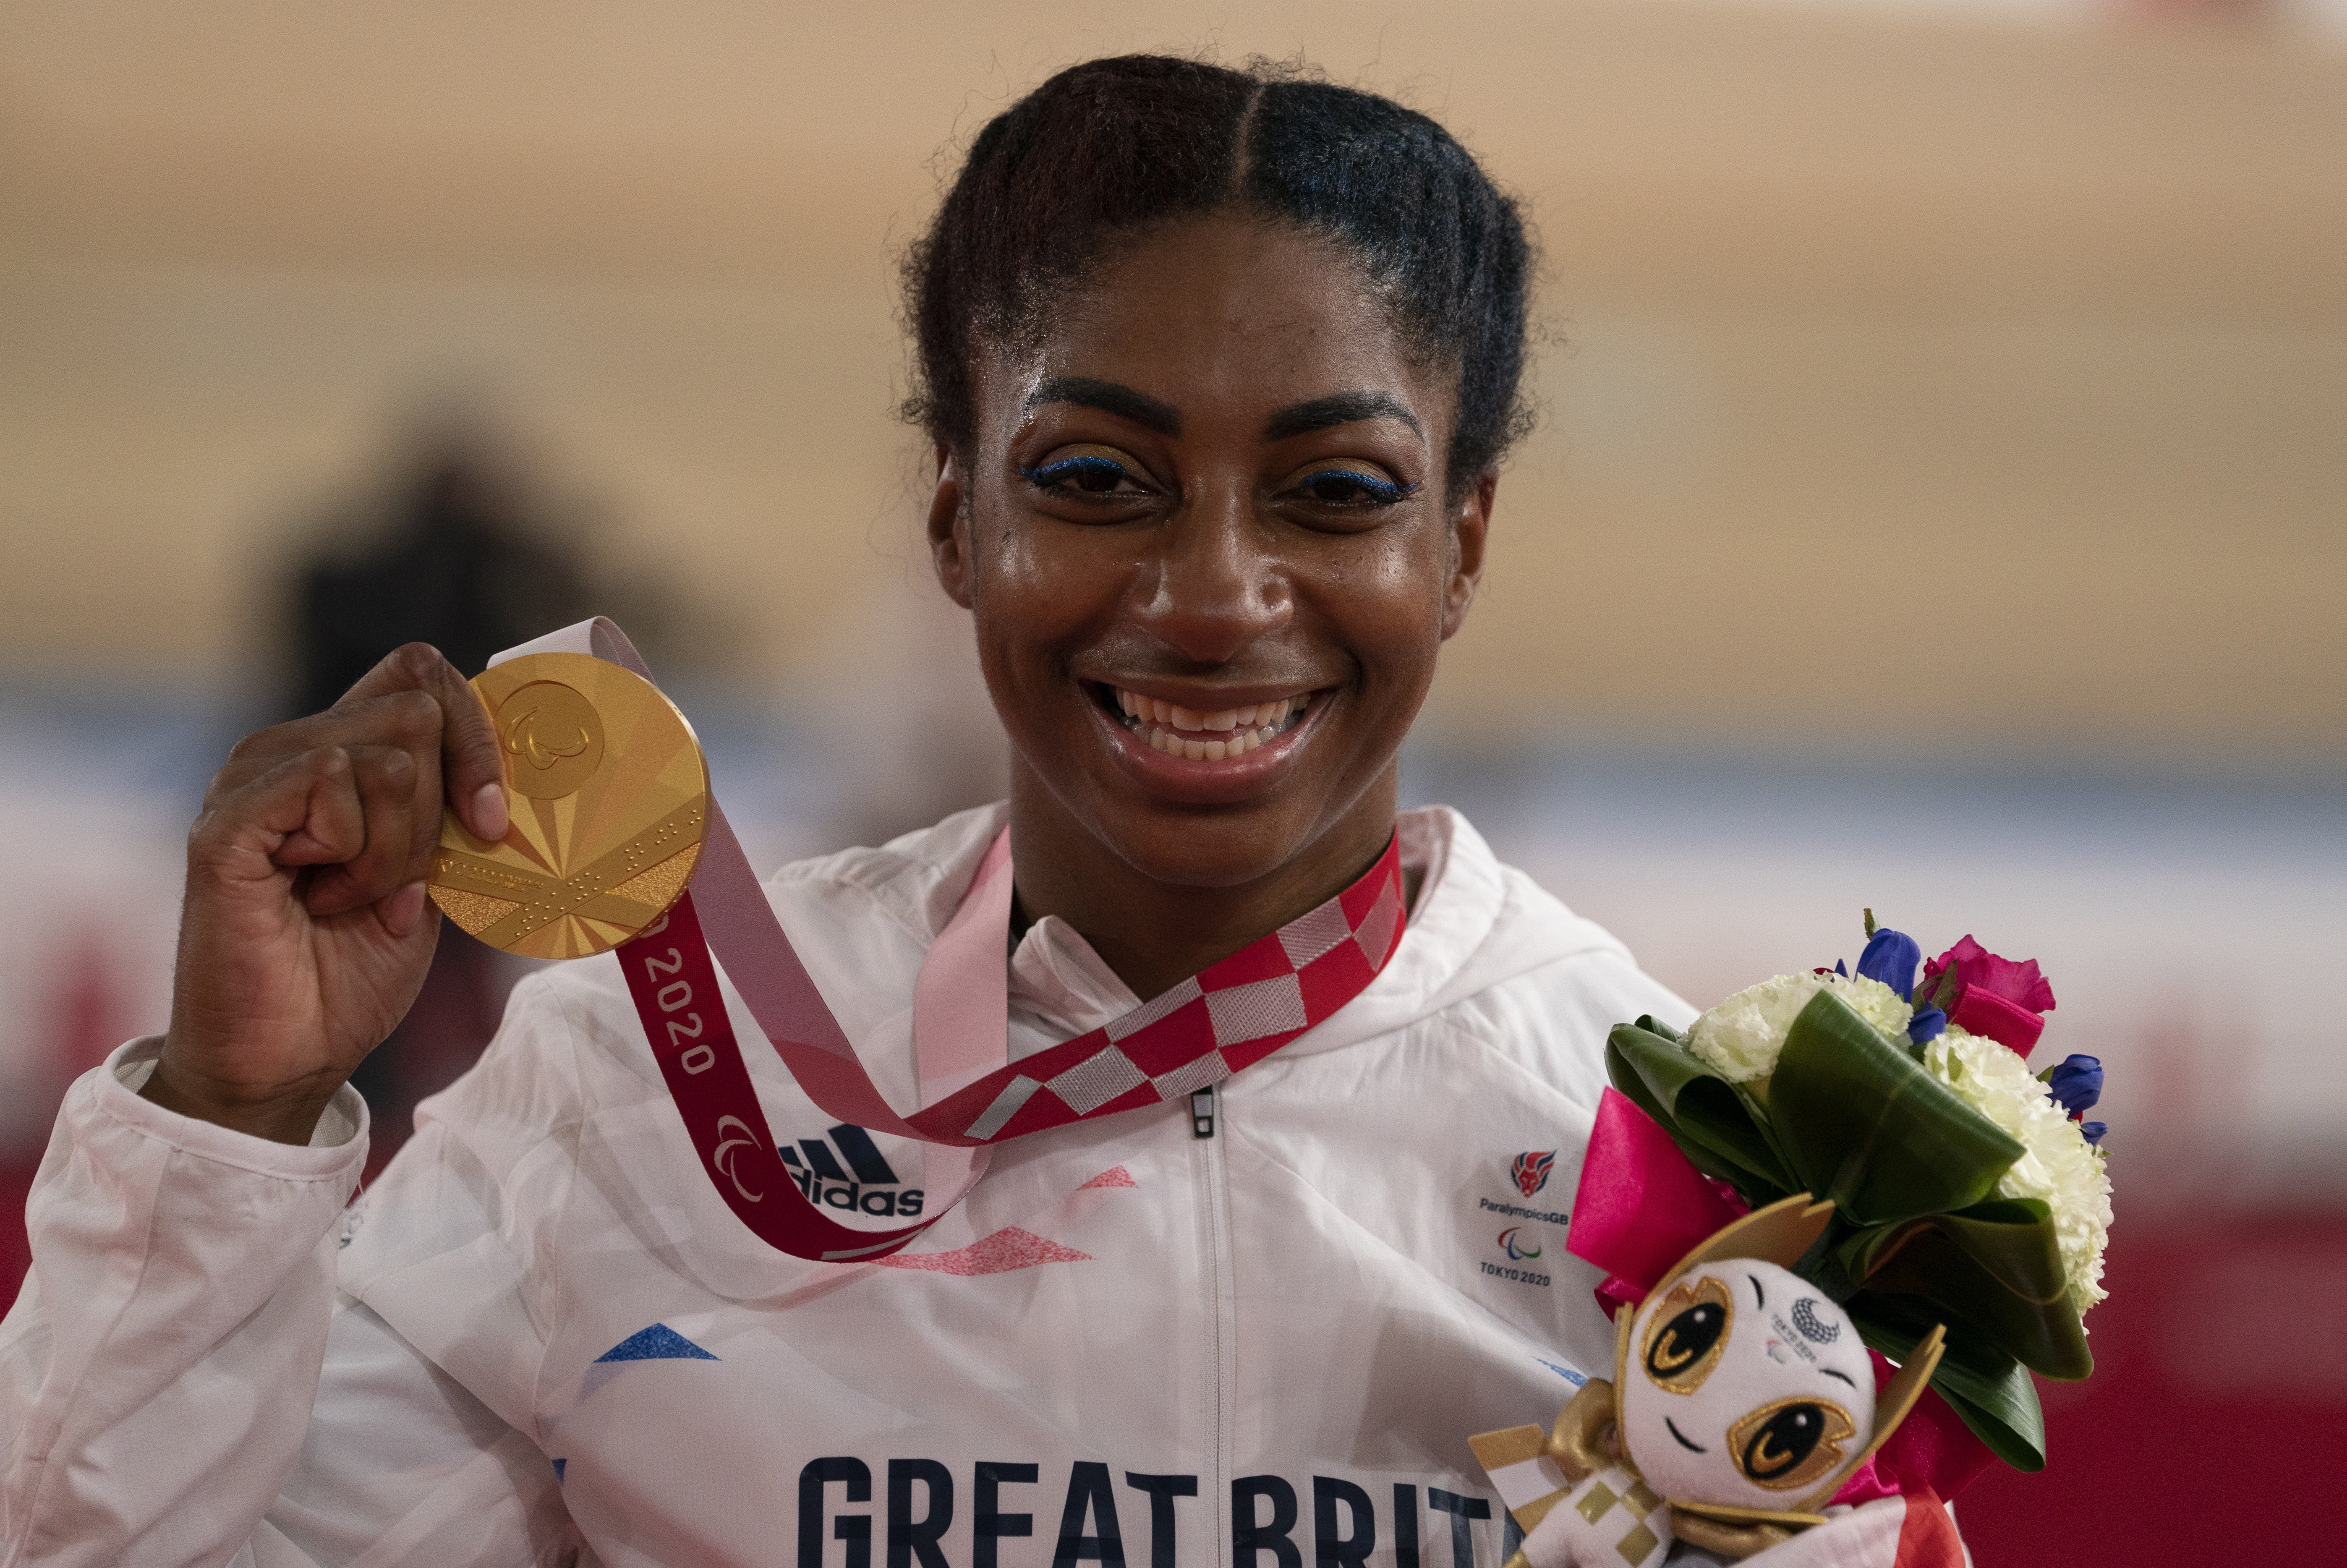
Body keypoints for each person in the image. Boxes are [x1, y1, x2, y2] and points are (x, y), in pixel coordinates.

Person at [1, 56, 1740, 1568]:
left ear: (1463, 544)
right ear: (954, 526)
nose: (1216, 593)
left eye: (1336, 491)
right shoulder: (629, 1096)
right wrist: (231, 1121)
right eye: (1095, 480)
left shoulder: (1682, 1160)